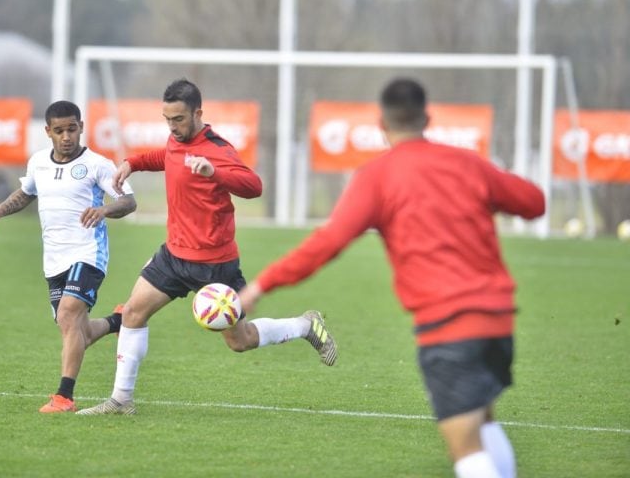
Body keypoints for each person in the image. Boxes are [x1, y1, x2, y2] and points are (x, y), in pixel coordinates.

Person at [238, 78, 545, 478]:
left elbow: (330, 240)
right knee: (482, 422)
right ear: (427, 118)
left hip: (448, 324)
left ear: (381, 123)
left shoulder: (378, 176)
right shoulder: (466, 162)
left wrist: (262, 284)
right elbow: (534, 202)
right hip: (498, 319)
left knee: (465, 448)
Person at [76, 78, 338, 416]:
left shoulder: (217, 150)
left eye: (179, 119)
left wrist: (214, 172)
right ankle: (121, 400)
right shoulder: (176, 140)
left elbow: (253, 186)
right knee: (132, 313)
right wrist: (135, 162)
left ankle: (305, 325)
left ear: (198, 113)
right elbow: (168, 156)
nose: (172, 127)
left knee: (238, 341)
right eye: (167, 119)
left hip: (215, 265)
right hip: (173, 256)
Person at [0, 100, 137, 413]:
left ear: (81, 128)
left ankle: (64, 397)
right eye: (59, 130)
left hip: (88, 253)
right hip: (54, 258)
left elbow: (129, 201)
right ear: (48, 131)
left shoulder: (98, 164)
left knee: (68, 314)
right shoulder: (38, 162)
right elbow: (26, 193)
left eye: (72, 129)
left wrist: (104, 209)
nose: (66, 136)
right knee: (75, 330)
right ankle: (120, 320)